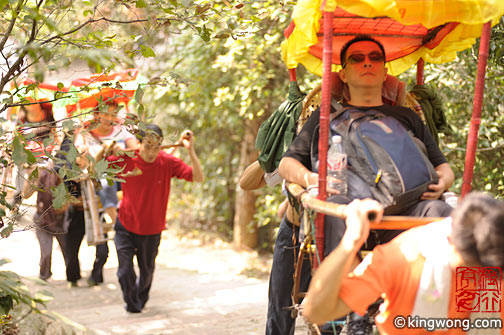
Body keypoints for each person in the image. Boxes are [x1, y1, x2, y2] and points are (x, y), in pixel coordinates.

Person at [278, 34, 455, 334]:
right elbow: (286, 164)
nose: (367, 62)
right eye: (357, 59)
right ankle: (354, 307)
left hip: (408, 207)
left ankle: (430, 307)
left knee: (441, 212)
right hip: (352, 209)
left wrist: (442, 183)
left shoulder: (406, 117)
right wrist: (311, 179)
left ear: (386, 71)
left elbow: (443, 167)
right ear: (343, 74)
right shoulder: (325, 117)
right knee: (334, 209)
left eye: (375, 58)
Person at [303, 192, 504, 335]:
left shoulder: (495, 267)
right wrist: (350, 242)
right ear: (451, 243)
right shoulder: (402, 257)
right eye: (478, 271)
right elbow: (317, 312)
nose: (482, 281)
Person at [108, 124, 204, 313]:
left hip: (151, 229)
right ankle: (133, 306)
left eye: (156, 147)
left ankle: (138, 302)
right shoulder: (127, 159)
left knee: (146, 272)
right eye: (147, 146)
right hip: (125, 223)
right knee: (124, 271)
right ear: (139, 143)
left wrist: (190, 150)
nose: (152, 152)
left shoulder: (166, 162)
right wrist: (109, 150)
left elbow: (198, 177)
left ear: (161, 145)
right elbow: (95, 167)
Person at [239, 160, 312, 335]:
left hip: (337, 233)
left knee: (330, 319)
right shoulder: (298, 143)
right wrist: (271, 152)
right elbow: (246, 183)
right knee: (281, 309)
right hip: (294, 233)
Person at [74, 99, 138, 286]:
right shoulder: (85, 135)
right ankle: (115, 218)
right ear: (97, 115)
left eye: (113, 114)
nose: (110, 118)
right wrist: (94, 152)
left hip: (123, 179)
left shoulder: (121, 131)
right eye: (106, 114)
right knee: (105, 177)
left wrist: (123, 150)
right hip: (99, 185)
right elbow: (82, 162)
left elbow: (136, 149)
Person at [22, 161, 68, 281]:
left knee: (67, 249)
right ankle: (44, 276)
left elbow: (66, 202)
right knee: (46, 252)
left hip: (60, 218)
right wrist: (32, 177)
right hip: (42, 218)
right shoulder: (41, 175)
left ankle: (72, 276)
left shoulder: (63, 174)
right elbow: (25, 195)